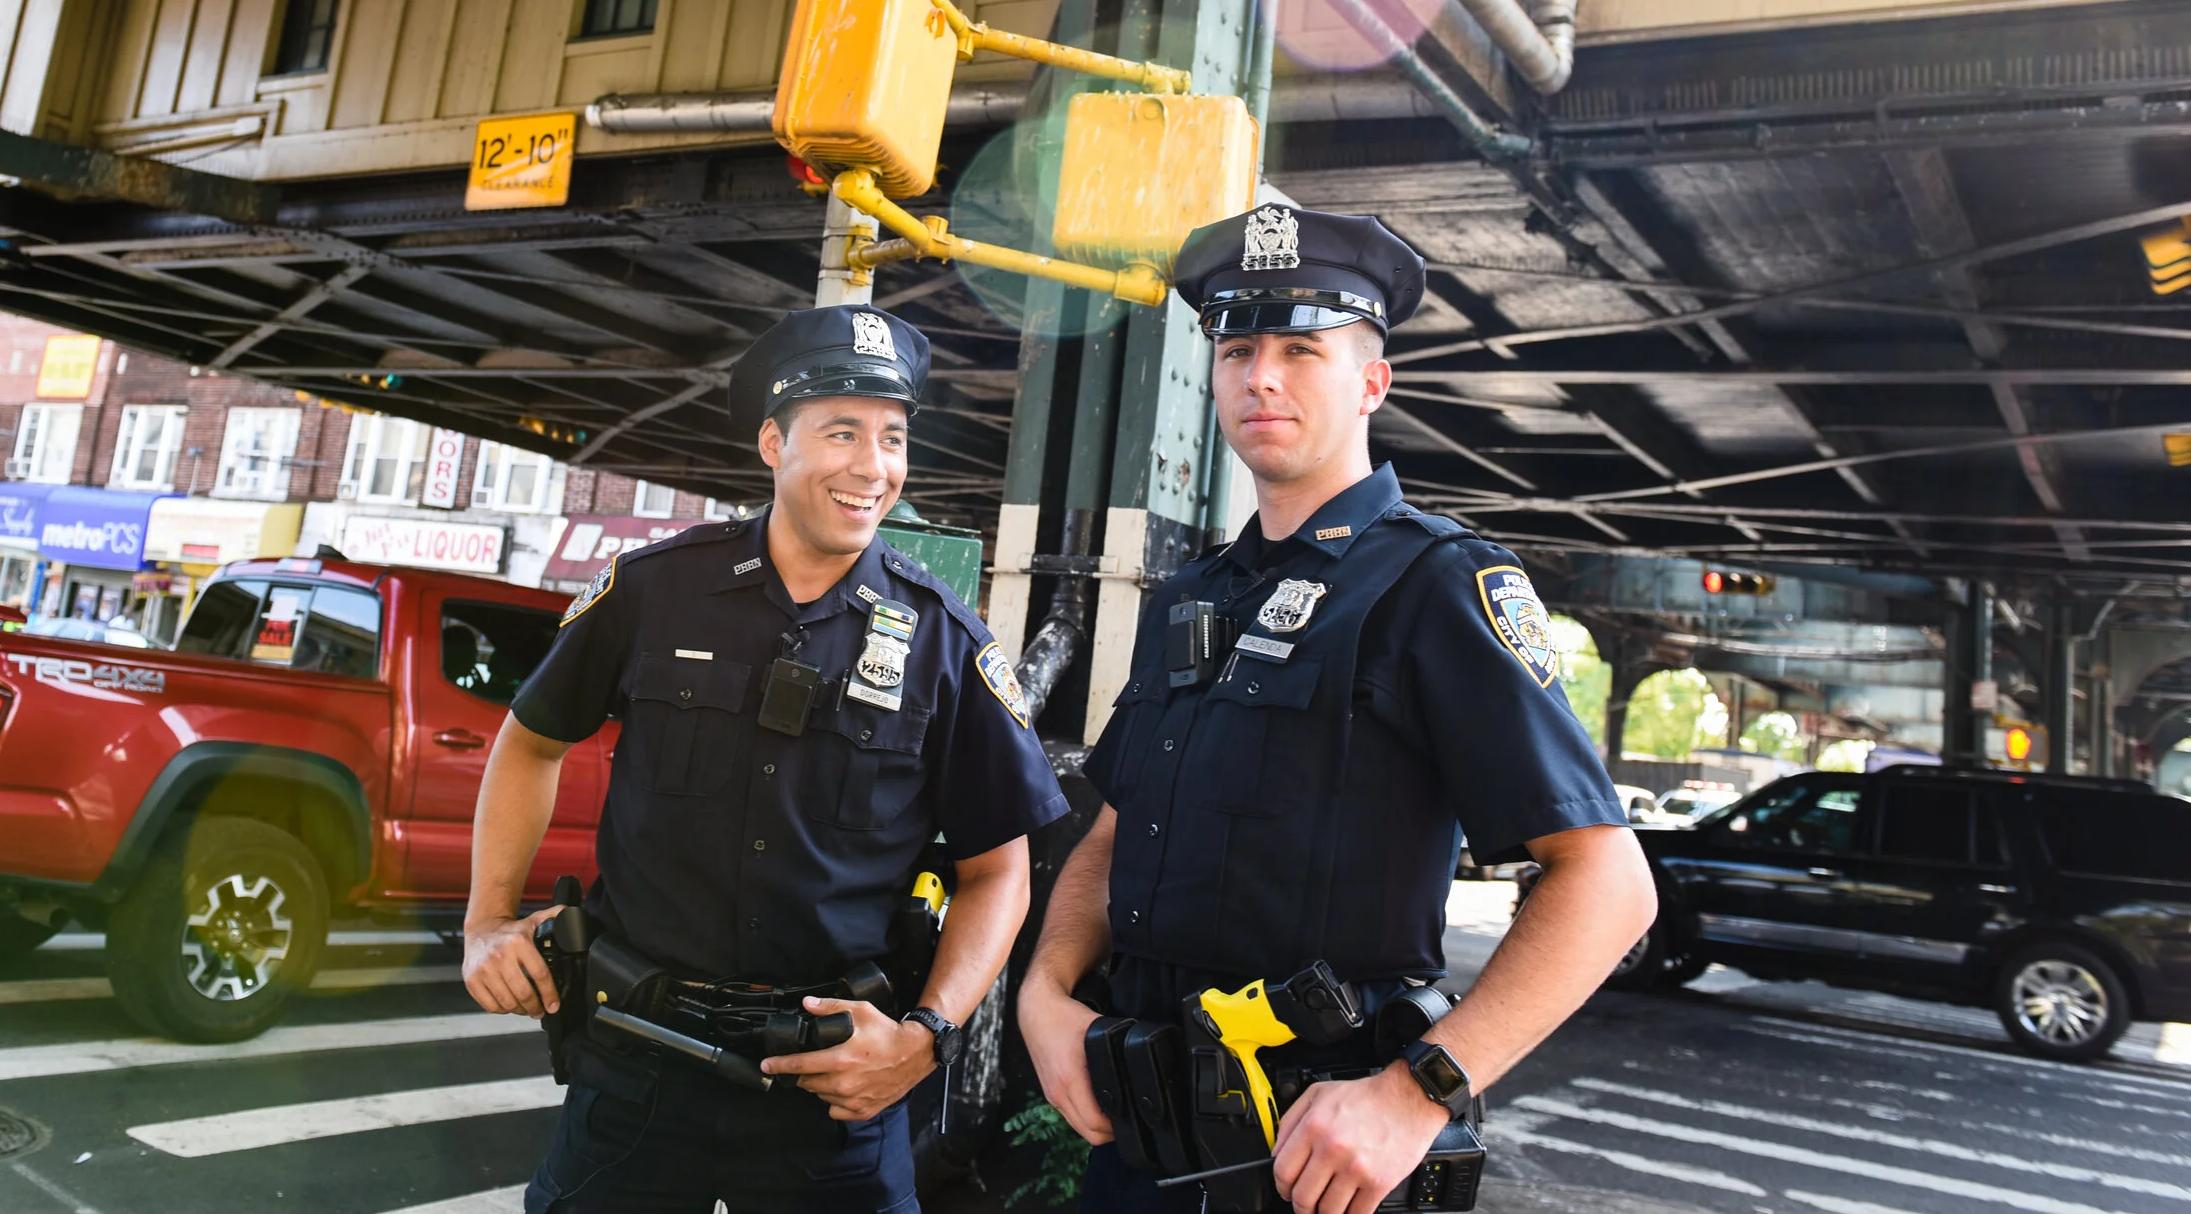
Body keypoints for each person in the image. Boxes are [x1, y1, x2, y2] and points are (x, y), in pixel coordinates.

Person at [1016, 206, 1656, 1214]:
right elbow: (1110, 823)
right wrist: (1046, 992)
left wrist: (1420, 1091)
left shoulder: (1433, 584)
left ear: (1372, 383)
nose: (1260, 375)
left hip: (1316, 1167)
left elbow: (1608, 883)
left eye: (1300, 350)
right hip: (1137, 1148)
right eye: (1238, 348)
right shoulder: (1194, 596)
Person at [463, 304, 1071, 1212]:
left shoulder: (945, 641)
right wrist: (487, 917)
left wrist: (927, 1036)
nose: (873, 467)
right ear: (771, 444)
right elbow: (531, 738)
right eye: (841, 432)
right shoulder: (655, 591)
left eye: (893, 438)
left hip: (832, 1088)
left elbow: (999, 872)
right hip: (636, 1066)